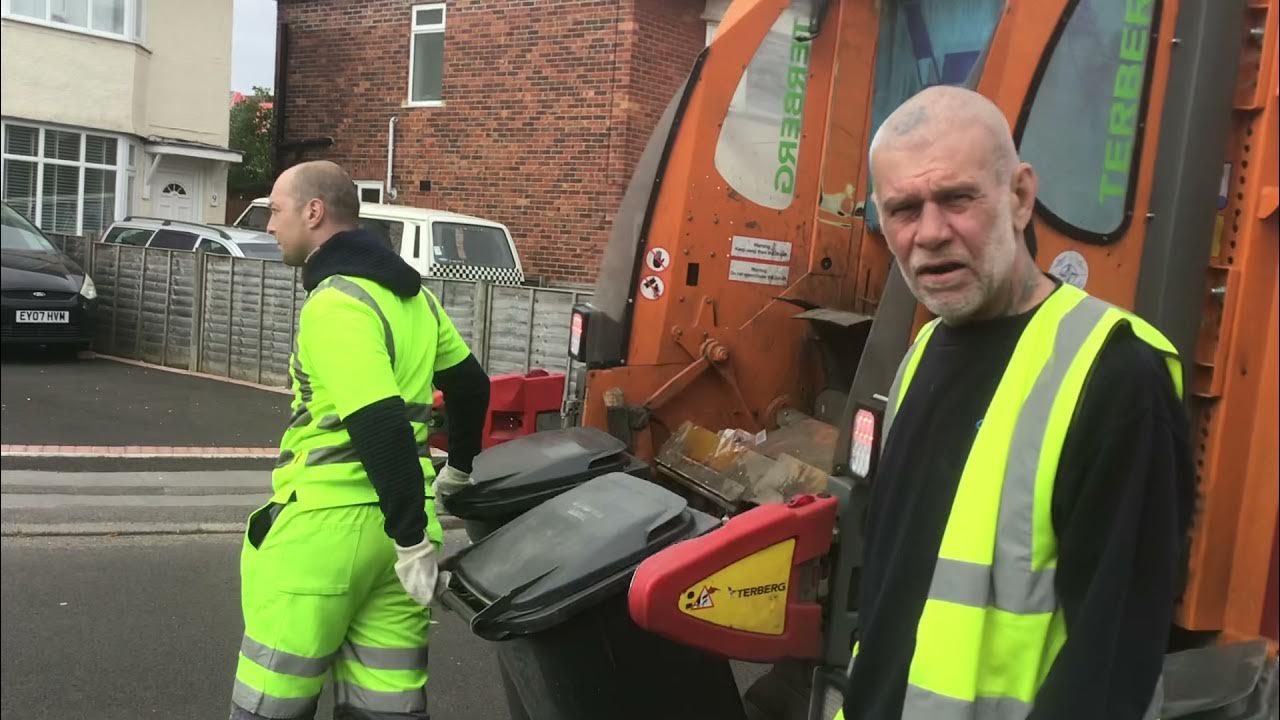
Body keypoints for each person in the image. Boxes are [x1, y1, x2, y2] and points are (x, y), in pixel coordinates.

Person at [839, 87, 1194, 719]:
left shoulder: (1115, 377)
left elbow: (1110, 669)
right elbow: (893, 597)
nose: (930, 233)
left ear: (1021, 196)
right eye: (903, 209)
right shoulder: (923, 353)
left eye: (957, 198)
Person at [229, 160, 490, 719]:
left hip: (322, 535)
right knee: (387, 705)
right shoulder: (417, 300)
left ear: (313, 212)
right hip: (402, 538)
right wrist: (457, 473)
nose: (269, 225)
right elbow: (471, 386)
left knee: (271, 703)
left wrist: (409, 538)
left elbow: (380, 423)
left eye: (276, 210)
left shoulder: (335, 304)